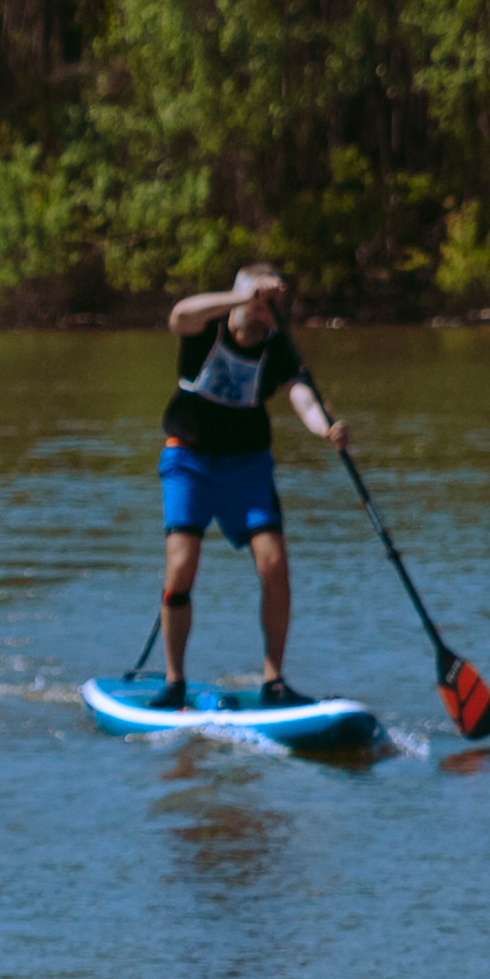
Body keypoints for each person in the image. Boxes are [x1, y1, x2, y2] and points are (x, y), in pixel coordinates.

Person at [154, 266, 349, 704]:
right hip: (189, 460)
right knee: (181, 568)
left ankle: (273, 680)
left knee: (273, 564)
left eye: (266, 304)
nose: (257, 310)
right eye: (251, 300)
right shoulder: (204, 329)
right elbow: (179, 314)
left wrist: (325, 429)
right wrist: (241, 295)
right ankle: (173, 682)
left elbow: (302, 395)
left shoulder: (277, 348)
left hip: (247, 466)